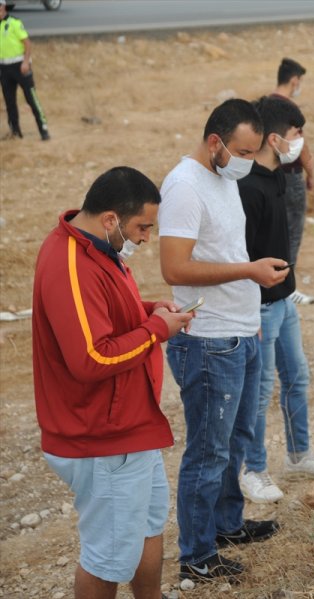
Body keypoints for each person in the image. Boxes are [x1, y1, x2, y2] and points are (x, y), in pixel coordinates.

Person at [32, 167, 194, 598]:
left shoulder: (96, 248)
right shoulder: (71, 264)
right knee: (107, 559)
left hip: (128, 425)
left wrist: (148, 309)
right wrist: (157, 330)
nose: (145, 238)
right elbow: (91, 357)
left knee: (146, 524)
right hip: (101, 436)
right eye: (141, 227)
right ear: (110, 219)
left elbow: (104, 312)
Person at [158, 99, 288, 582]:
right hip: (208, 340)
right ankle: (196, 553)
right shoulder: (185, 186)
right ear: (216, 143)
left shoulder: (224, 177)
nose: (248, 161)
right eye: (242, 151)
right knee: (208, 451)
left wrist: (249, 308)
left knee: (238, 439)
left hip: (240, 328)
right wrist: (248, 273)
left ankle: (227, 525)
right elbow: (175, 267)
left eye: (254, 152)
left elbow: (226, 246)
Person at [237, 95, 314, 505]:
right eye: (297, 134)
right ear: (274, 138)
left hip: (284, 300)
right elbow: (244, 255)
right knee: (261, 389)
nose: (301, 142)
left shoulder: (280, 174)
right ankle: (253, 468)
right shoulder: (247, 186)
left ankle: (300, 454)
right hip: (261, 304)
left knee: (296, 378)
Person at [271, 57, 314, 305]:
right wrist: (311, 174)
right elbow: (302, 147)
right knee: (293, 232)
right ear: (294, 80)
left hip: (274, 176)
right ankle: (289, 286)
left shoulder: (268, 104)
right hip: (291, 177)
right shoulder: (288, 108)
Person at [0, 0, 49, 140]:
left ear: (3, 7)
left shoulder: (15, 23)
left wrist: (26, 62)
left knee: (31, 99)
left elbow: (27, 43)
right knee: (9, 102)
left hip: (20, 66)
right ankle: (15, 132)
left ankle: (43, 129)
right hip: (4, 68)